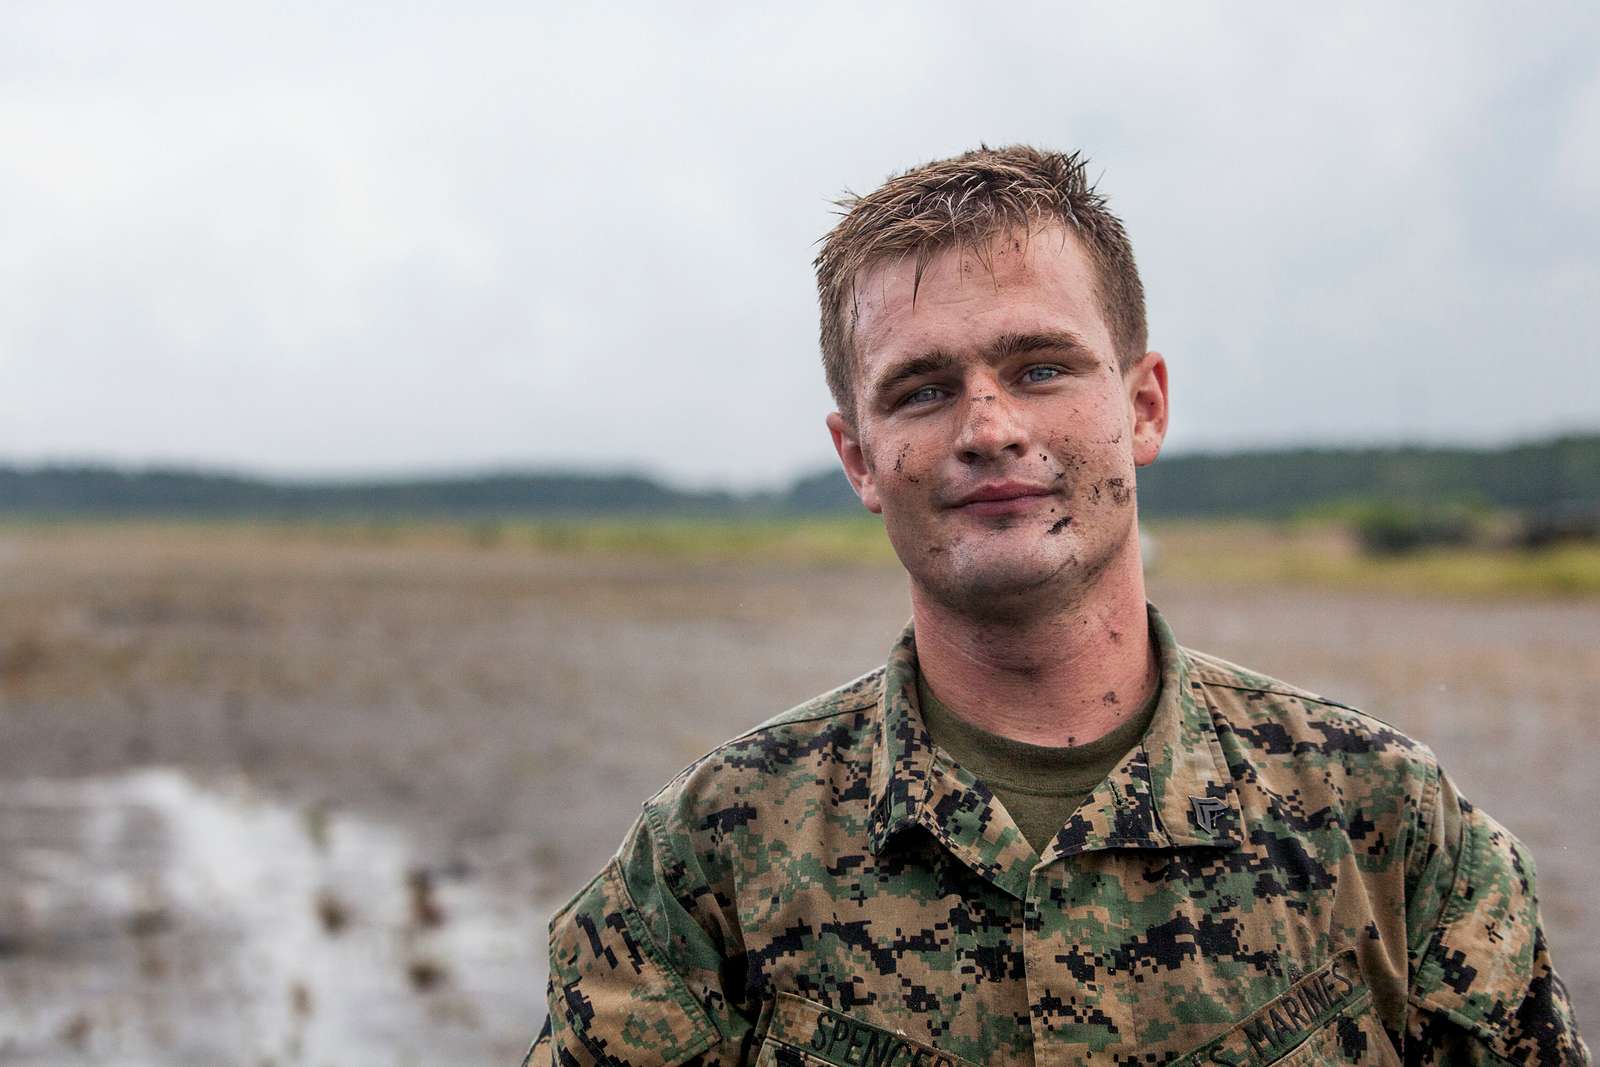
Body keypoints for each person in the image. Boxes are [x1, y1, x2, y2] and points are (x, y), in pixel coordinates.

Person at [522, 146, 1587, 1065]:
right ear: (857, 454)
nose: (986, 425)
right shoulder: (708, 861)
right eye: (922, 389)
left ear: (1142, 405)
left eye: (1039, 367)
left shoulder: (1388, 826)